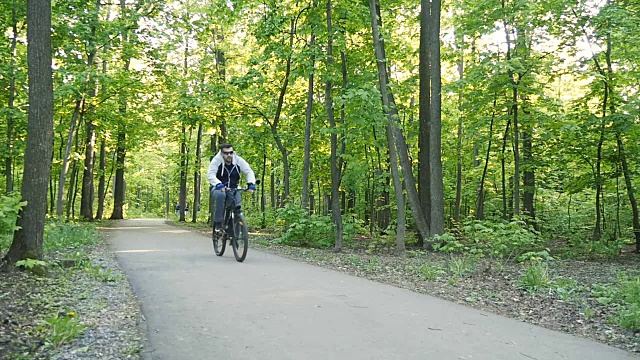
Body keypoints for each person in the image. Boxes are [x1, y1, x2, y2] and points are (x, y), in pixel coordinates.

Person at [207, 144, 256, 234]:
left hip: (233, 188)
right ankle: (218, 223)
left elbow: (248, 171)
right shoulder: (216, 161)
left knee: (237, 207)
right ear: (222, 153)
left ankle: (233, 231)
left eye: (231, 153)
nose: (229, 155)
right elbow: (211, 174)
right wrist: (218, 184)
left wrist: (251, 183)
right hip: (218, 188)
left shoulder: (238, 160)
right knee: (221, 195)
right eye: (226, 153)